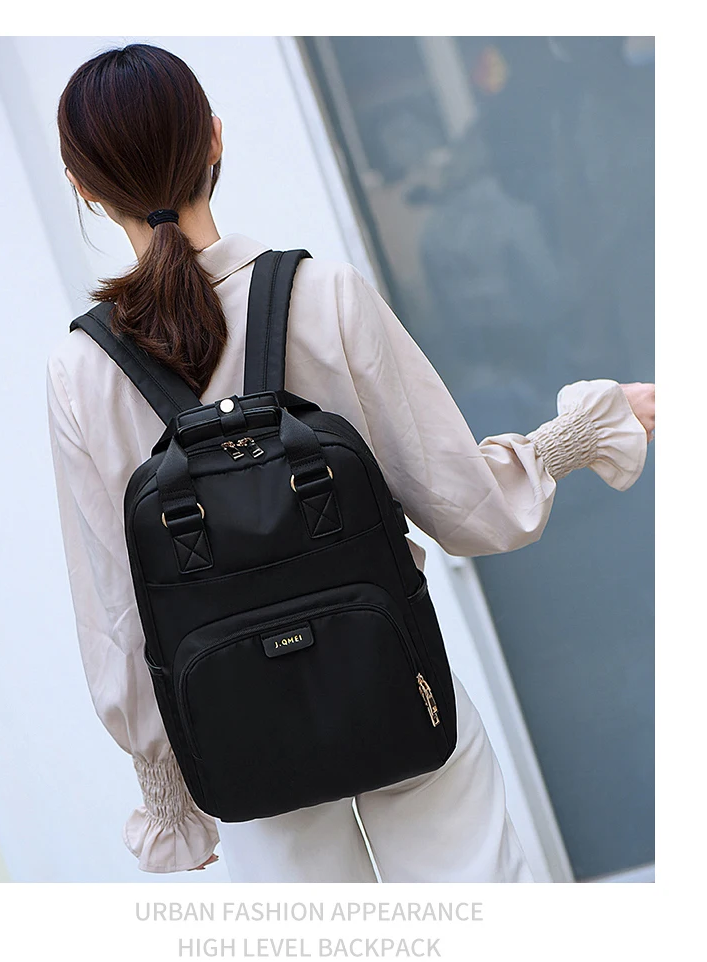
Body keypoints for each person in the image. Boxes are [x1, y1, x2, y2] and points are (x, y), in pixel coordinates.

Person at [47, 44, 655, 882]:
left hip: (237, 727)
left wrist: (166, 801)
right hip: (394, 680)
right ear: (215, 137)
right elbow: (466, 506)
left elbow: (117, 618)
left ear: (83, 186)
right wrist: (583, 432)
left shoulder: (81, 373)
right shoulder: (324, 294)